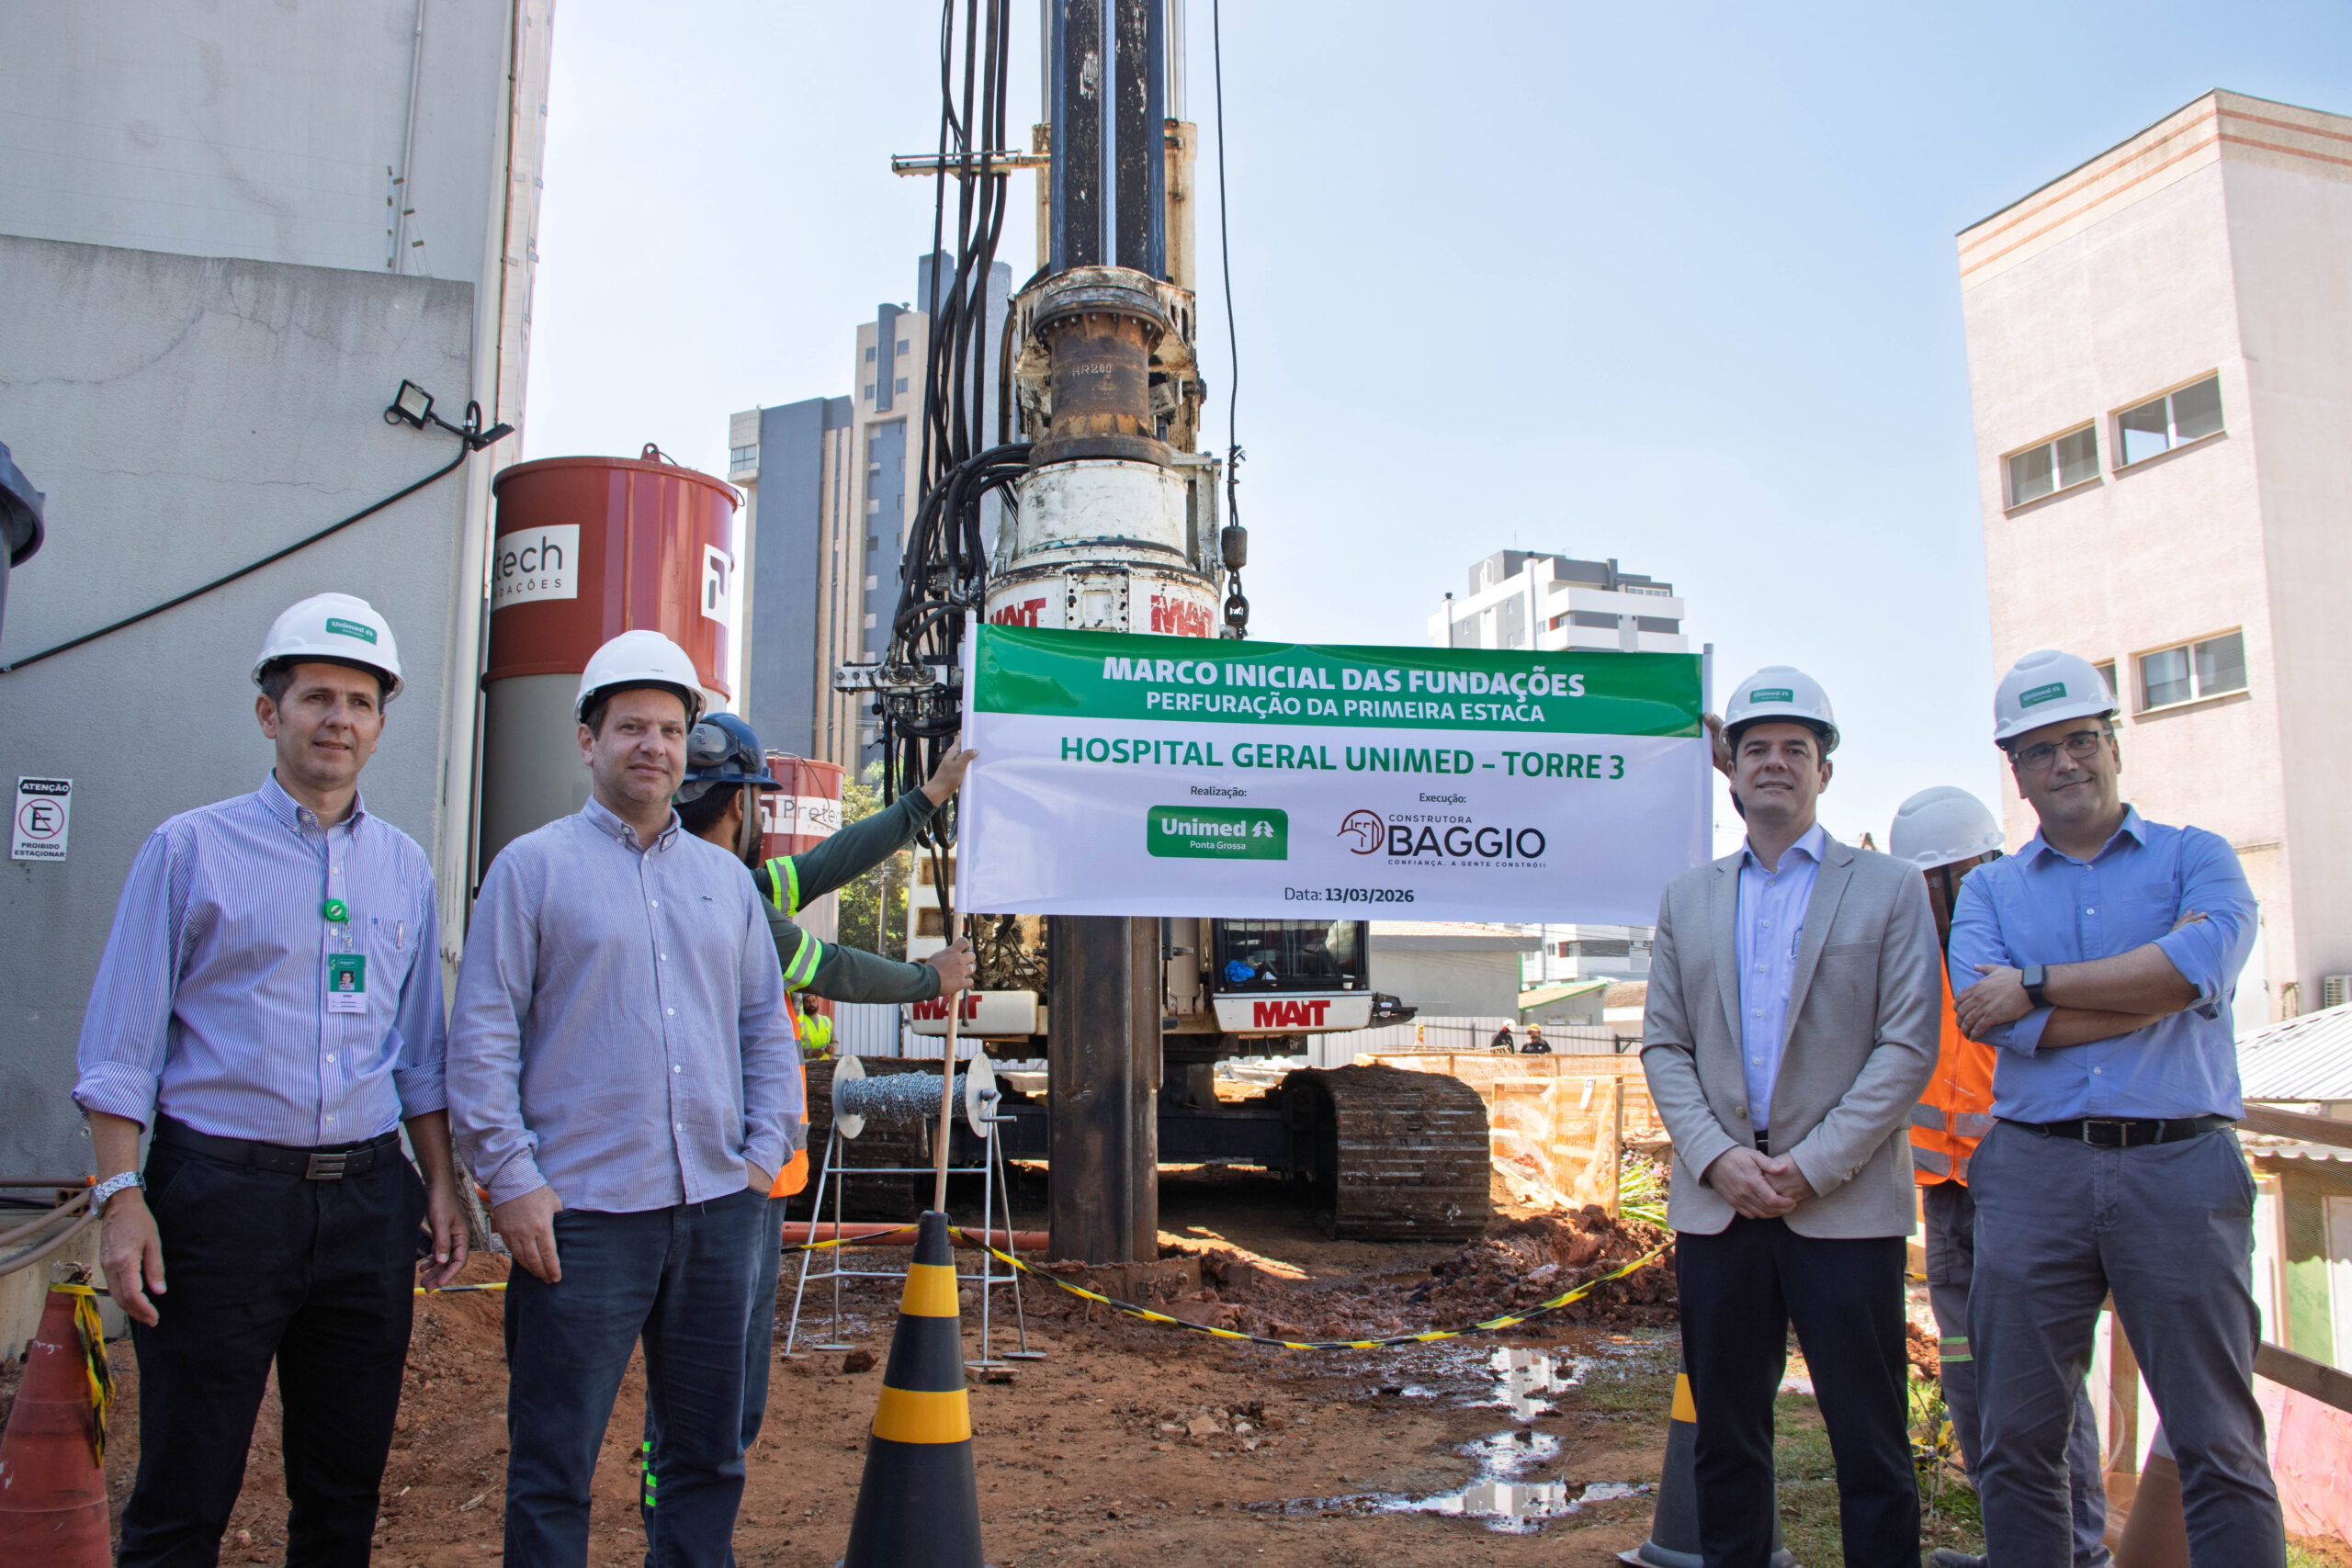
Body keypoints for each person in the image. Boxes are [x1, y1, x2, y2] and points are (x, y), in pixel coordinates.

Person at [74, 592, 468, 1567]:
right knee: (184, 1486)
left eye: (361, 703)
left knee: (341, 1490)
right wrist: (121, 1198)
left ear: (380, 725)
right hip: (220, 1203)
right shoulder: (189, 850)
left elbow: (418, 1054)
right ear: (270, 713)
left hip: (369, 1203)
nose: (339, 719)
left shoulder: (405, 870)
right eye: (317, 698)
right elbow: (121, 1048)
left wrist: (442, 1183)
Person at [446, 630, 801, 1568]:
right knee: (554, 1463)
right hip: (586, 1220)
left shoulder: (723, 883)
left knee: (706, 1458)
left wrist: (762, 1155)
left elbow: (766, 1031)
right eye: (632, 726)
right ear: (587, 740)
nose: (654, 745)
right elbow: (480, 1041)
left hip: (718, 1212)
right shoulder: (532, 870)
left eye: (671, 730)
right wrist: (512, 1184)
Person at [1948, 649, 2284, 1566]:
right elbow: (1992, 1020)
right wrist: (2148, 990)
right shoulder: (1987, 888)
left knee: (2217, 1437)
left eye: (2082, 739)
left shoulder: (2197, 857)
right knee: (2017, 1439)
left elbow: (2196, 967)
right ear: (2013, 770)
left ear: (2113, 742)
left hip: (2180, 1168)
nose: (2066, 762)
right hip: (2033, 1173)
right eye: (2042, 749)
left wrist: (2041, 985)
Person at [639, 711, 977, 1562]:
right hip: (734, 1181)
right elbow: (823, 965)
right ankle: (675, 1533)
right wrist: (926, 980)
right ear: (742, 807)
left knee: (713, 1387)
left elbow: (834, 860)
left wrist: (927, 798)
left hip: (755, 1175)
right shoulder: (722, 894)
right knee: (714, 1391)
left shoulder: (742, 881)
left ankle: (678, 1521)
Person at [1641, 666, 1939, 1568]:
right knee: (1726, 1443)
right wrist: (1716, 1158)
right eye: (1757, 748)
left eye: (1795, 750)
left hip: (1843, 1212)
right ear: (1730, 767)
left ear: (1824, 769)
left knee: (1871, 1449)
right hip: (1718, 1210)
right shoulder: (1687, 898)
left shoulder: (1886, 890)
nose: (1774, 764)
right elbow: (1664, 1046)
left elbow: (1905, 1049)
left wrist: (1811, 1166)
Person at [1891, 786, 2109, 1568]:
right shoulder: (1918, 958)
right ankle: (2015, 1546)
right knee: (1971, 1378)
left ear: (1974, 868)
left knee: (2042, 1385)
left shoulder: (2025, 942)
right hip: (1949, 1201)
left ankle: (2078, 1551)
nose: (1925, 898)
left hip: (2026, 1193)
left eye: (1934, 881)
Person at [798, 994, 834, 1058]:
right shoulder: (799, 1021)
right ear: (803, 1003)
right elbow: (793, 1048)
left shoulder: (826, 1021)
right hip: (806, 1066)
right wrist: (811, 1053)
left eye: (813, 1000)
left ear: (817, 1001)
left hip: (823, 1066)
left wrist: (832, 1048)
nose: (811, 1004)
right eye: (807, 1001)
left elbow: (835, 1042)